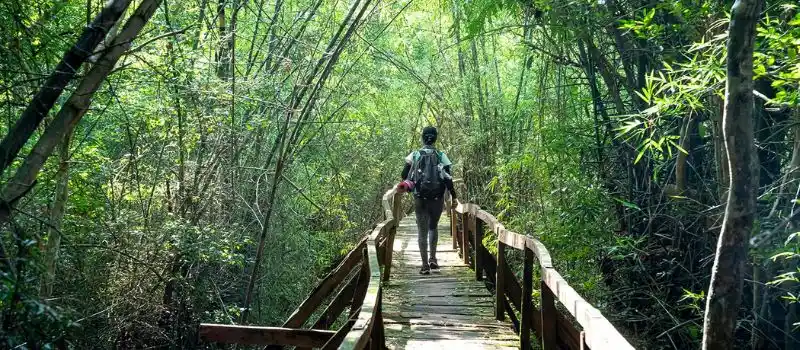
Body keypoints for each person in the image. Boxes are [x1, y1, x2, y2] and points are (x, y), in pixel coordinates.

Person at [400, 126, 457, 275]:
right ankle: (433, 259)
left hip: (420, 197)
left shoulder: (415, 155)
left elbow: (404, 174)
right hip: (437, 197)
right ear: (435, 138)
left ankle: (424, 265)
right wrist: (454, 196)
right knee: (433, 227)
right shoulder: (441, 155)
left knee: (422, 231)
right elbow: (448, 178)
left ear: (423, 138)